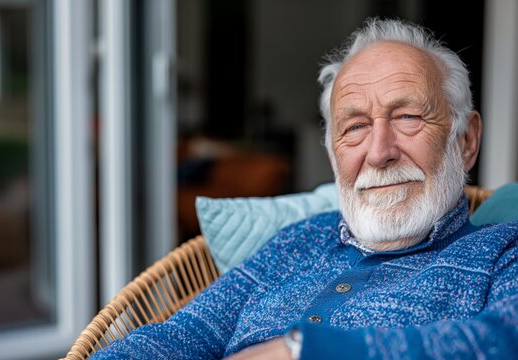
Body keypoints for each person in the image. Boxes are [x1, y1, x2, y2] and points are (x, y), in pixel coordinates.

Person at [91, 17, 518, 359]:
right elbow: (185, 332)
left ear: (465, 141)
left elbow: (503, 340)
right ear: (333, 153)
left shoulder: (503, 252)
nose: (379, 151)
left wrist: (302, 351)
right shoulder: (298, 240)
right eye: (355, 127)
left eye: (408, 117)